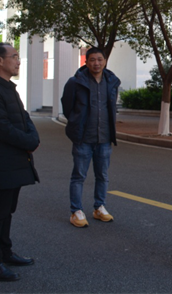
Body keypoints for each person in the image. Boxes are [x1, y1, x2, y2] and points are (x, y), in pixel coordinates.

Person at [0, 43, 40, 282]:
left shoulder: (9, 89)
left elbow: (24, 118)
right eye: (14, 56)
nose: (18, 61)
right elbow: (2, 128)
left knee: (7, 211)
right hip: (1, 163)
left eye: (18, 56)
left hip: (15, 161)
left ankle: (5, 252)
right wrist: (28, 142)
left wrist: (33, 138)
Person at [62, 48, 121, 228]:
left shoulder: (111, 81)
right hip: (83, 138)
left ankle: (99, 207)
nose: (97, 63)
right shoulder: (75, 82)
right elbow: (67, 107)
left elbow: (111, 107)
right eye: (93, 60)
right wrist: (76, 123)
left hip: (104, 138)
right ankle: (76, 211)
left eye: (100, 59)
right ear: (86, 62)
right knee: (79, 175)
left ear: (105, 61)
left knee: (102, 175)